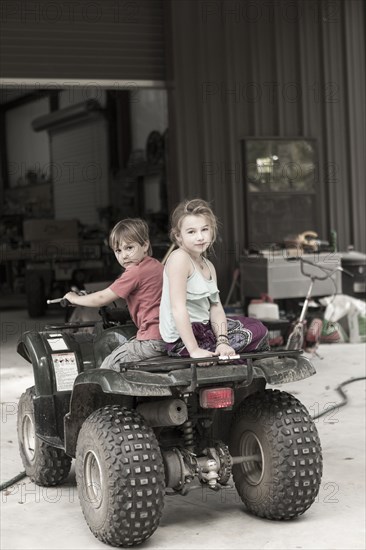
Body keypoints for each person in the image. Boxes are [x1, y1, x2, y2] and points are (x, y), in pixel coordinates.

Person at [159, 199, 270, 359]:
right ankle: (212, 353)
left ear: (212, 230)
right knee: (254, 337)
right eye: (191, 232)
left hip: (206, 328)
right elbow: (178, 308)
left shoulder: (208, 265)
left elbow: (216, 307)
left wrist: (223, 341)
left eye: (204, 229)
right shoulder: (179, 259)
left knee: (258, 328)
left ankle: (220, 349)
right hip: (184, 338)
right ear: (178, 236)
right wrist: (194, 350)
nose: (200, 237)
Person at [64, 218, 166, 370]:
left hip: (151, 340)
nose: (124, 255)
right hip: (168, 337)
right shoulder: (156, 265)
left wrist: (75, 298)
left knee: (107, 367)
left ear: (145, 245)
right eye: (118, 250)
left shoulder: (134, 272)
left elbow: (102, 298)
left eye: (129, 248)